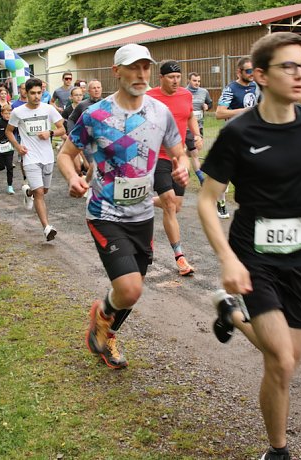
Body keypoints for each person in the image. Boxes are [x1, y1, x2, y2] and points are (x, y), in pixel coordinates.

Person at [198, 32, 301, 460]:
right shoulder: (239, 132)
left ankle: (230, 313)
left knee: (288, 358)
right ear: (261, 75)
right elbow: (207, 201)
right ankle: (277, 452)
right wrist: (227, 258)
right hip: (252, 252)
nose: (300, 75)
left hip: (297, 253)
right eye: (289, 67)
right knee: (280, 360)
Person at [57, 43, 188, 370]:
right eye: (133, 67)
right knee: (129, 288)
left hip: (142, 214)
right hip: (105, 214)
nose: (141, 74)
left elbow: (178, 151)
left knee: (133, 288)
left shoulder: (160, 112)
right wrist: (73, 177)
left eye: (145, 67)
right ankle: (102, 317)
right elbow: (65, 154)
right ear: (116, 71)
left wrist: (182, 166)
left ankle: (107, 333)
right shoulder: (96, 115)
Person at [147, 60, 203, 276]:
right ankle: (180, 257)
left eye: (178, 77)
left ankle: (143, 202)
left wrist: (196, 134)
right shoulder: (149, 97)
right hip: (157, 157)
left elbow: (189, 115)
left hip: (179, 157)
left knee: (176, 205)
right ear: (161, 78)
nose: (175, 81)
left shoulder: (186, 95)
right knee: (170, 204)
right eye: (171, 77)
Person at [6, 77, 65, 242]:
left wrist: (50, 133)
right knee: (40, 193)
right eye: (33, 93)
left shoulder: (49, 109)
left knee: (43, 191)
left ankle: (29, 192)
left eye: (39, 93)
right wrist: (18, 146)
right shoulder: (18, 112)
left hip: (47, 157)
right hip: (30, 157)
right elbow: (9, 131)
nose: (36, 96)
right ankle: (47, 228)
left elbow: (62, 128)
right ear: (26, 93)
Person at [214, 56, 260, 219]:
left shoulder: (256, 86)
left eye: (253, 70)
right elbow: (219, 113)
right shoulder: (231, 89)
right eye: (248, 71)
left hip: (252, 136)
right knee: (226, 174)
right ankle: (221, 202)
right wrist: (243, 111)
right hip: (233, 137)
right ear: (239, 72)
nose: (252, 73)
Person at [185, 72, 213, 183]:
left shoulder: (204, 92)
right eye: (194, 80)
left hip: (200, 126)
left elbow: (210, 104)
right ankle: (201, 178)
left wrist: (207, 106)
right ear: (189, 80)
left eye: (198, 81)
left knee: (193, 150)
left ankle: (181, 158)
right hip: (188, 127)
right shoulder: (183, 92)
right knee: (195, 152)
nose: (197, 83)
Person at [0, 105, 15, 194]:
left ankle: (10, 186)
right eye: (6, 113)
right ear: (1, 114)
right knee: (1, 167)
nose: (8, 115)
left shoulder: (12, 123)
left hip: (9, 146)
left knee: (9, 167)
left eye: (9, 113)